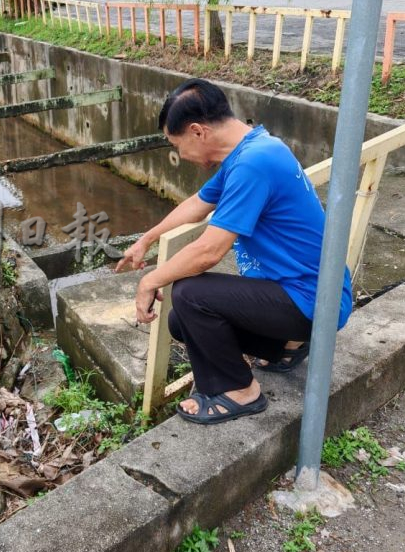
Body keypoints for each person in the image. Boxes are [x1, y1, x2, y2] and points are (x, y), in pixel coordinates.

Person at [117, 78, 352, 425]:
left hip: (311, 300)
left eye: (176, 144)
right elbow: (198, 204)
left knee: (189, 292)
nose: (180, 155)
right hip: (308, 293)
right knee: (181, 321)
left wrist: (149, 280)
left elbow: (208, 252)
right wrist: (146, 240)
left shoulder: (252, 164)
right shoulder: (255, 147)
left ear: (197, 131)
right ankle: (287, 348)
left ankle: (240, 391)